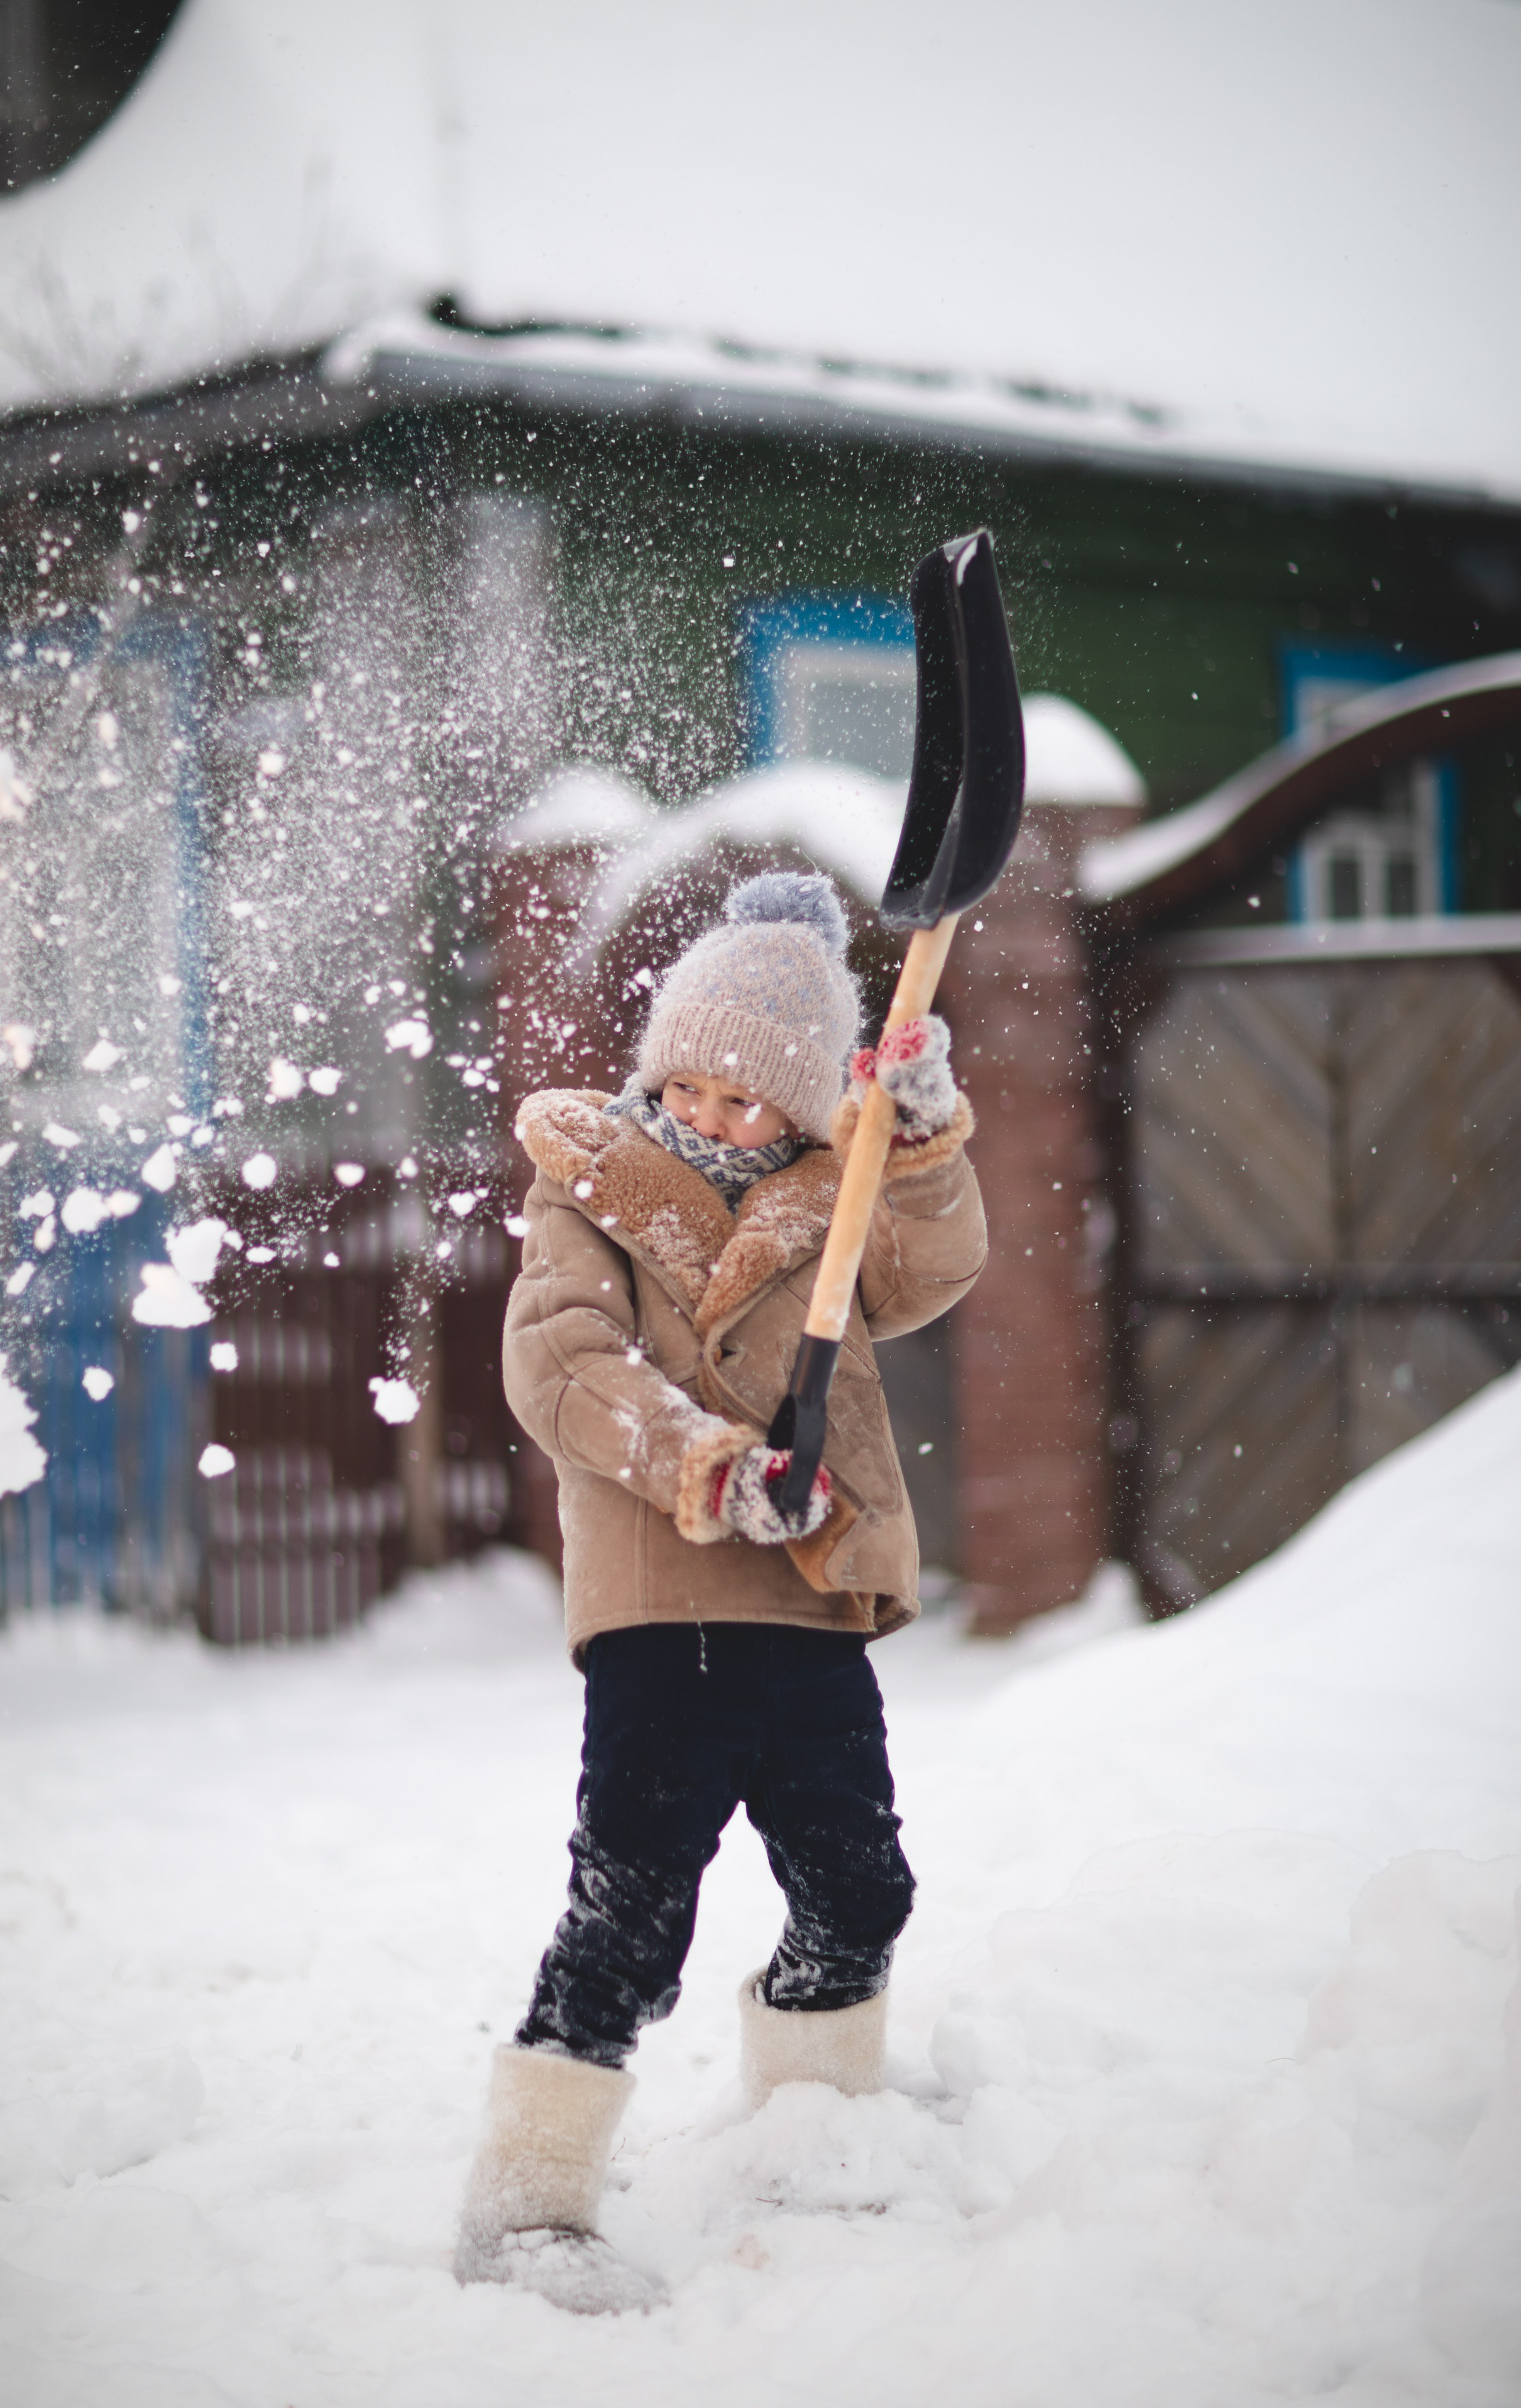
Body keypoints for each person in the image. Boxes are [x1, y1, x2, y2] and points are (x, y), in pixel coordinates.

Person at [454, 871, 987, 2312]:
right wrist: (708, 1464)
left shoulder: (843, 1193)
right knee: (634, 1910)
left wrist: (922, 1128)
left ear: (810, 1110)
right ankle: (528, 2204)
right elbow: (560, 1363)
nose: (712, 1117)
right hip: (660, 1607)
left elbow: (935, 1266)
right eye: (686, 1086)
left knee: (858, 1889)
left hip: (807, 1606)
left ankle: (808, 2133)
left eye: (752, 1101)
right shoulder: (590, 1192)